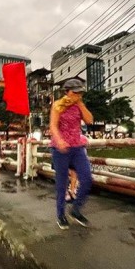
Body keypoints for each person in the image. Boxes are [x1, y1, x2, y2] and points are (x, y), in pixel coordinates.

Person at [50, 79, 94, 229]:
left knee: (87, 179)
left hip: (77, 148)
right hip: (60, 149)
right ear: (67, 92)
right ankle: (61, 215)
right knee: (61, 184)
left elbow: (89, 120)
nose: (77, 95)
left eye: (80, 92)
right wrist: (60, 140)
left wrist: (80, 104)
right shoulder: (57, 106)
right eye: (75, 92)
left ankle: (75, 209)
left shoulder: (78, 105)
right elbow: (53, 127)